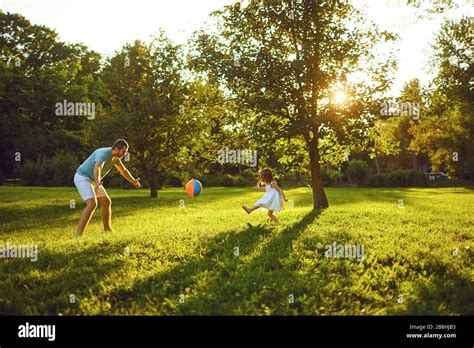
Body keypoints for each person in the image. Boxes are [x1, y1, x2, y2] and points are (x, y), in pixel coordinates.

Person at [73, 139, 141, 238]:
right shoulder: (103, 153)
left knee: (106, 201)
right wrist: (97, 183)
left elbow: (123, 170)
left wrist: (133, 181)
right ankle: (77, 234)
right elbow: (98, 168)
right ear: (116, 149)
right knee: (92, 204)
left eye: (126, 152)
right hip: (83, 177)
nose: (124, 154)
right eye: (123, 151)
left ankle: (107, 229)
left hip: (94, 180)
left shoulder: (115, 158)